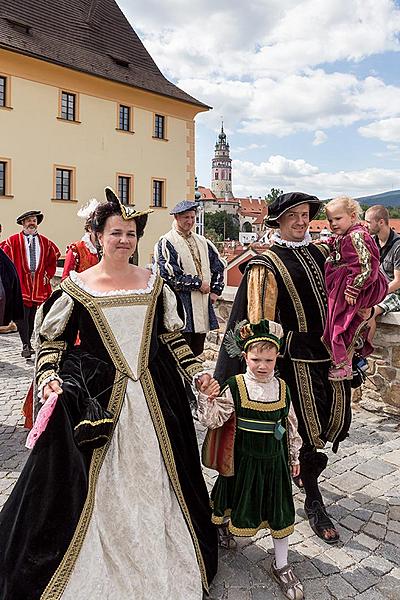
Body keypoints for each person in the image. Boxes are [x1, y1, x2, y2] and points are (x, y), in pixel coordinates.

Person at [0, 187, 218, 600]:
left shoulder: (154, 284)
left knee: (164, 477)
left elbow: (171, 339)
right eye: (116, 232)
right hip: (98, 400)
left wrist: (197, 373)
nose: (124, 240)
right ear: (98, 236)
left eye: (131, 234)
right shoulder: (78, 286)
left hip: (157, 398)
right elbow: (52, 343)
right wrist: (48, 376)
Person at [215, 191, 353, 545]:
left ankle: (307, 476)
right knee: (303, 433)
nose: (302, 221)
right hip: (294, 365)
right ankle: (314, 500)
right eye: (293, 215)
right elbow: (261, 325)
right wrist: (286, 349)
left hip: (329, 360)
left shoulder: (322, 253)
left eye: (306, 214)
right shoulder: (267, 264)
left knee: (328, 423)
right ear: (277, 221)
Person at [199, 319, 304, 600]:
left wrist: (294, 455)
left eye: (268, 359)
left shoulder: (282, 388)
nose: (262, 365)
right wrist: (208, 399)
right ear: (245, 356)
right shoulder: (236, 385)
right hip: (242, 461)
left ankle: (281, 564)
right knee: (231, 497)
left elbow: (290, 423)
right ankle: (221, 528)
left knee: (279, 509)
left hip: (274, 462)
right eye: (256, 358)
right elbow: (215, 420)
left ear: (276, 357)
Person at [322, 196, 388, 380]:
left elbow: (366, 266)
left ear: (352, 216)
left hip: (363, 285)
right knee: (342, 321)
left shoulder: (357, 235)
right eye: (330, 220)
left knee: (341, 323)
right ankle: (345, 360)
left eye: (337, 219)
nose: (333, 223)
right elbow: (337, 245)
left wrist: (354, 288)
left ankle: (345, 365)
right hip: (354, 283)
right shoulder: (346, 234)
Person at [154, 200, 225, 356]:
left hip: (202, 306)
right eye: (186, 217)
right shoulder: (167, 242)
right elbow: (170, 276)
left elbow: (218, 266)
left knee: (198, 350)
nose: (190, 221)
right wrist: (198, 284)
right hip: (180, 308)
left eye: (192, 217)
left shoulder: (203, 242)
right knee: (180, 353)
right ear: (177, 218)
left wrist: (215, 291)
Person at [0, 210, 60, 357]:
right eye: (28, 220)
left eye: (34, 220)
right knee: (22, 315)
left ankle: (27, 343)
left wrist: (48, 274)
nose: (32, 222)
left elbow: (54, 258)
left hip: (38, 283)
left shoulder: (45, 242)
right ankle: (26, 344)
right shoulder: (12, 241)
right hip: (20, 283)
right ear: (23, 223)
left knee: (32, 315)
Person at [364, 205, 400, 341]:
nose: (365, 225)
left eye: (368, 222)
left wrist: (377, 293)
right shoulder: (372, 242)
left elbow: (398, 282)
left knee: (369, 312)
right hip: (378, 290)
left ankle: (363, 355)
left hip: (394, 294)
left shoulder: (398, 247)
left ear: (381, 222)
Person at [62, 199, 100, 279]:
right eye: (98, 228)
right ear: (89, 228)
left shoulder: (109, 250)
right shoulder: (76, 250)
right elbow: (66, 280)